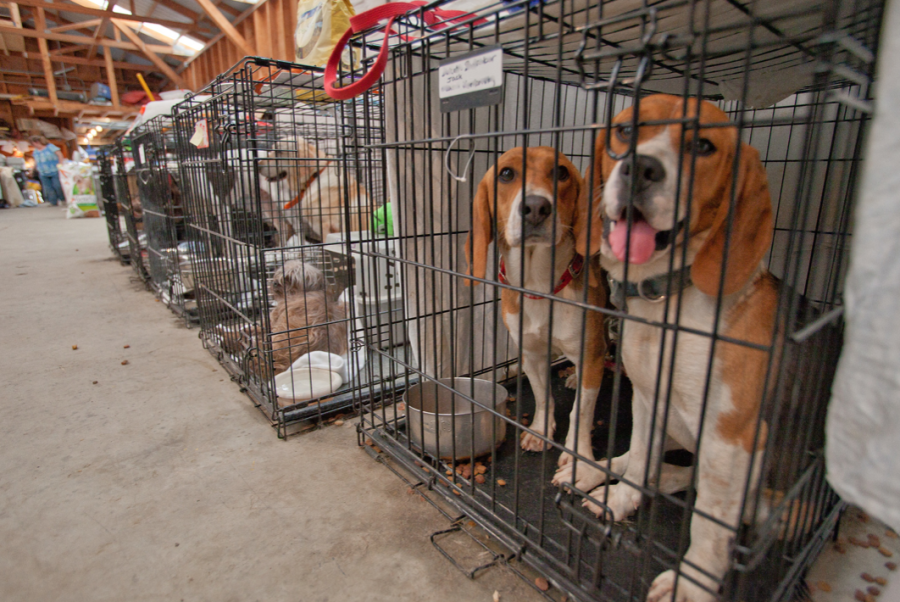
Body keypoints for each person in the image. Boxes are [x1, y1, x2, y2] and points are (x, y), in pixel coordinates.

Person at [30, 135, 65, 206]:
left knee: (57, 186)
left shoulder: (50, 147)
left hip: (54, 170)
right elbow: (36, 161)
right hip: (43, 172)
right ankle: (53, 202)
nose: (34, 144)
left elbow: (60, 154)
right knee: (48, 188)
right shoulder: (36, 151)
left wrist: (61, 164)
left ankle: (63, 199)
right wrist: (33, 169)